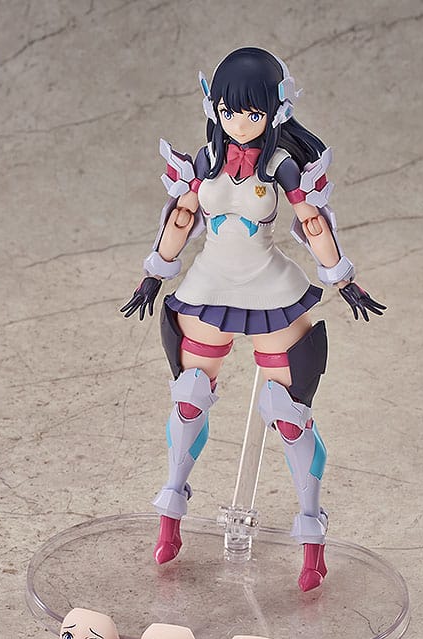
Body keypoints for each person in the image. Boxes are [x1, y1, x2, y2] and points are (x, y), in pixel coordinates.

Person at [123, 47, 385, 591]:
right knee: (189, 397)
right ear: (213, 108)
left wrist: (343, 278)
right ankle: (170, 517)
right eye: (229, 111)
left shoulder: (280, 164)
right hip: (209, 287)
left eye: (252, 112)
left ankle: (311, 539)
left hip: (270, 288)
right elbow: (182, 216)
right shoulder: (203, 161)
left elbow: (311, 222)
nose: (239, 123)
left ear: (275, 111)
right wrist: (155, 272)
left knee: (289, 414)